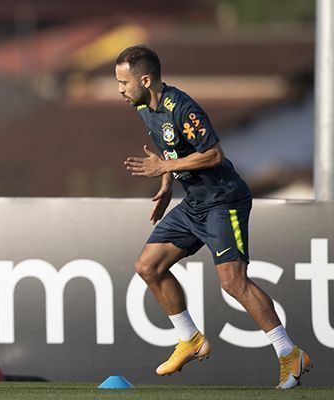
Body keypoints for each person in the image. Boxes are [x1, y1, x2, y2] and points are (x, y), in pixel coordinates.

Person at [116, 45, 312, 389]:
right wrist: (166, 185)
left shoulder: (182, 107)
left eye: (124, 81)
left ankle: (289, 352)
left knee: (233, 282)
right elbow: (168, 150)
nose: (120, 89)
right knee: (148, 266)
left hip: (225, 201)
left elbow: (214, 155)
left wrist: (166, 167)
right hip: (194, 203)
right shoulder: (144, 106)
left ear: (145, 79)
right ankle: (190, 339)